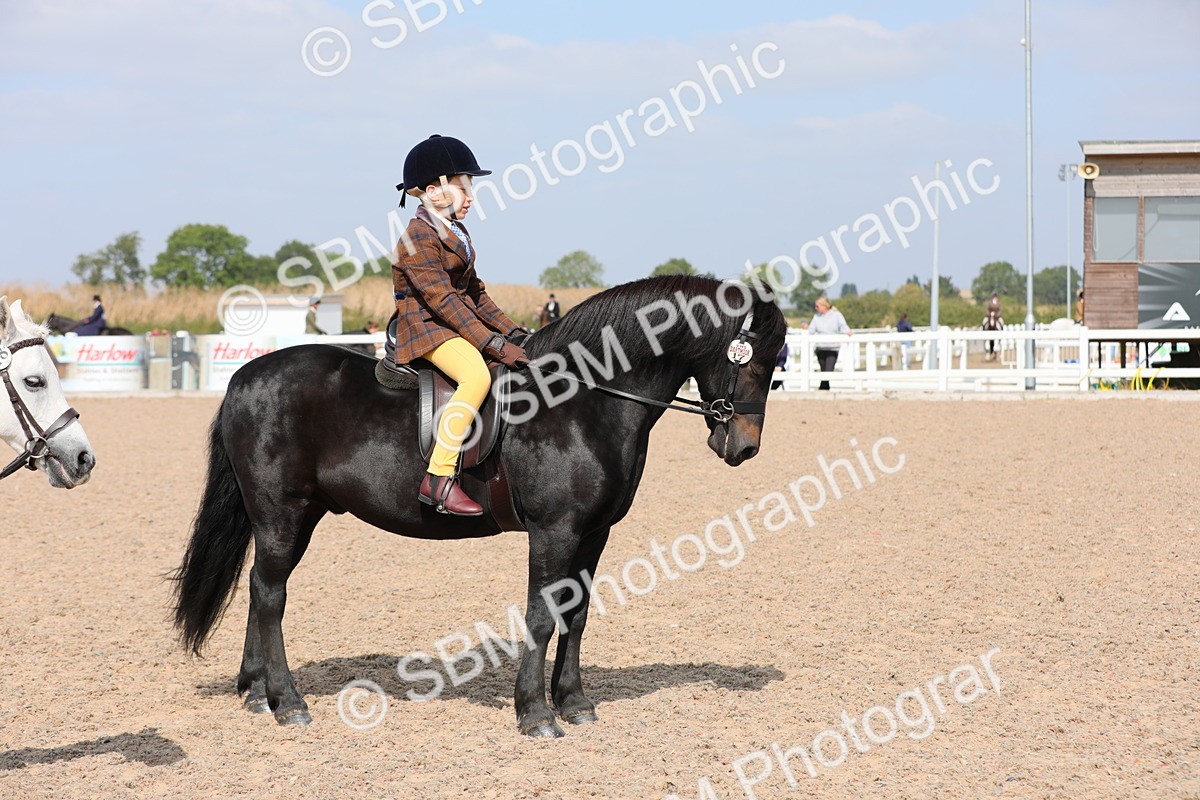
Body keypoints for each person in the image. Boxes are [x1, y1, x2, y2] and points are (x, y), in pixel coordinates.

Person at [393, 134, 530, 516]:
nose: (470, 197)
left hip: (450, 325)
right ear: (434, 191)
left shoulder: (457, 232)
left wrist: (515, 332)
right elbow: (444, 300)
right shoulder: (416, 237)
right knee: (476, 376)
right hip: (426, 328)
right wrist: (494, 344)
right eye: (463, 188)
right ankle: (438, 479)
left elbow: (476, 294)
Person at [805, 296, 850, 390]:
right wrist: (806, 328)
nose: (816, 308)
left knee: (828, 370)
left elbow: (843, 327)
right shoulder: (816, 317)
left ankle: (823, 388)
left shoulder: (837, 315)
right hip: (820, 348)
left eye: (817, 306)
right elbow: (811, 330)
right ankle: (824, 389)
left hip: (832, 348)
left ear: (824, 306)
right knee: (823, 370)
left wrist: (848, 332)